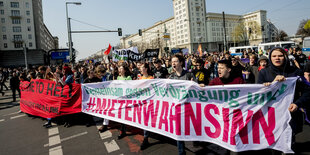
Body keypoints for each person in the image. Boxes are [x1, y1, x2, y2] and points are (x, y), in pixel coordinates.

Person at [258, 47, 310, 153]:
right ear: (270, 58)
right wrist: (272, 84)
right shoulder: (264, 73)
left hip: (290, 115)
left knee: (290, 145)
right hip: (271, 117)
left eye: (280, 55)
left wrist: (297, 104)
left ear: (285, 57)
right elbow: (257, 95)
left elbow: (307, 91)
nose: (277, 58)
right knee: (273, 147)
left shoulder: (296, 72)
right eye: (274, 56)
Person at [168, 54, 196, 155]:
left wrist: (195, 85)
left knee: (192, 128)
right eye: (172, 62)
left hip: (189, 107)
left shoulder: (189, 75)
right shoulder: (171, 77)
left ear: (180, 63)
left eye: (175, 61)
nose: (173, 63)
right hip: (177, 108)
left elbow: (196, 89)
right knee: (178, 131)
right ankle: (181, 152)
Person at [117, 64, 132, 139]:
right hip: (121, 99)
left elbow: (131, 87)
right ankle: (123, 131)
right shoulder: (118, 77)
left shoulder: (128, 78)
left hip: (127, 99)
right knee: (122, 115)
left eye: (121, 68)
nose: (120, 69)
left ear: (125, 70)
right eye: (119, 68)